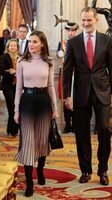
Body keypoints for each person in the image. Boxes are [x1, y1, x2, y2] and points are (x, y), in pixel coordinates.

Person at [63, 7, 112, 186]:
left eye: (89, 20)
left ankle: (103, 169)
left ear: (96, 20)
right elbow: (67, 71)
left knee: (105, 130)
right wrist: (67, 96)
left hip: (103, 91)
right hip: (81, 92)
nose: (85, 23)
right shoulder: (74, 42)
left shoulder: (107, 40)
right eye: (83, 20)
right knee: (81, 133)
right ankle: (85, 170)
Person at [14, 30, 58, 197]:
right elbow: (18, 88)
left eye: (34, 42)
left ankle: (40, 169)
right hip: (27, 102)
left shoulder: (49, 61)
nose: (31, 45)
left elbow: (51, 86)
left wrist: (55, 108)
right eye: (29, 41)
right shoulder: (22, 61)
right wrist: (16, 110)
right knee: (27, 142)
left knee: (41, 140)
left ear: (42, 44)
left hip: (44, 103)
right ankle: (29, 182)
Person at [57, 22, 79, 133]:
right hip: (65, 73)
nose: (70, 33)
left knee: (75, 98)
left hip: (77, 73)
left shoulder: (80, 42)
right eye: (69, 31)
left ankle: (75, 124)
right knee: (66, 97)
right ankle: (67, 124)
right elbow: (58, 55)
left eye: (73, 31)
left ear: (76, 31)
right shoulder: (62, 42)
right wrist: (59, 53)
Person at [0, 39, 19, 136]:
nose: (13, 47)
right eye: (11, 45)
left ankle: (11, 129)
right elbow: (1, 71)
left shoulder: (20, 58)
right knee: (12, 106)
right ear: (8, 47)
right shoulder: (4, 57)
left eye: (15, 45)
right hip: (7, 86)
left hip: (17, 86)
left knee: (16, 107)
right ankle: (13, 130)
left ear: (17, 47)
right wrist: (10, 72)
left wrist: (16, 72)